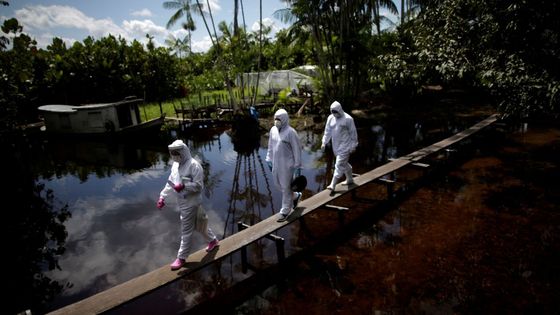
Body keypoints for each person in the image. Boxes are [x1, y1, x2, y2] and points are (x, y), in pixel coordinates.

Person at [156, 139, 219, 271]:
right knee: (200, 224)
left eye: (176, 152)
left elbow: (199, 186)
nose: (173, 155)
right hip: (182, 201)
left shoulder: (194, 165)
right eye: (171, 153)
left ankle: (182, 257)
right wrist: (162, 197)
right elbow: (170, 183)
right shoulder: (175, 165)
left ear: (183, 152)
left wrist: (184, 186)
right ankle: (213, 240)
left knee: (186, 230)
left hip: (191, 203)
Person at [266, 109, 303, 222]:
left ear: (285, 119)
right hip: (276, 164)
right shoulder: (273, 130)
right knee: (280, 186)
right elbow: (271, 146)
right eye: (275, 119)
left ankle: (285, 211)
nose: (277, 121)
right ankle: (296, 196)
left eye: (279, 119)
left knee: (286, 187)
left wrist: (297, 167)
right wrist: (269, 159)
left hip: (288, 165)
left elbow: (297, 150)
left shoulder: (291, 132)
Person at [321, 101, 358, 194]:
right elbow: (327, 131)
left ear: (340, 110)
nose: (334, 113)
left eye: (335, 111)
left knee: (339, 164)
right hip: (335, 145)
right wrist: (324, 142)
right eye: (332, 111)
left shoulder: (348, 119)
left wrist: (354, 145)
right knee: (344, 164)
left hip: (345, 145)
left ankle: (332, 185)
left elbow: (353, 133)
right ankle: (350, 179)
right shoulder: (330, 118)